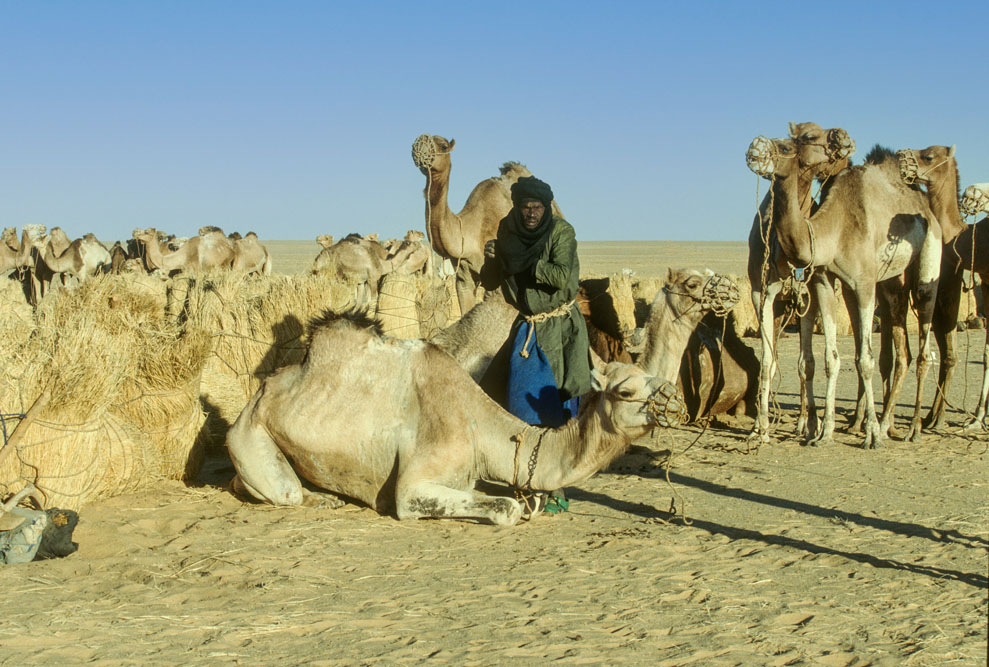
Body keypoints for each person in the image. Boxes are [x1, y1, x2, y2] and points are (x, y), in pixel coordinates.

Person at [483, 176, 591, 428]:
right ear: (517, 207)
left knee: (563, 400)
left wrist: (524, 259)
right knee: (519, 403)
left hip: (560, 327)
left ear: (546, 207)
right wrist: (492, 259)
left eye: (537, 207)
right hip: (529, 328)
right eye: (526, 207)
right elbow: (489, 282)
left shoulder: (561, 231)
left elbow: (560, 277)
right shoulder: (508, 230)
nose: (531, 213)